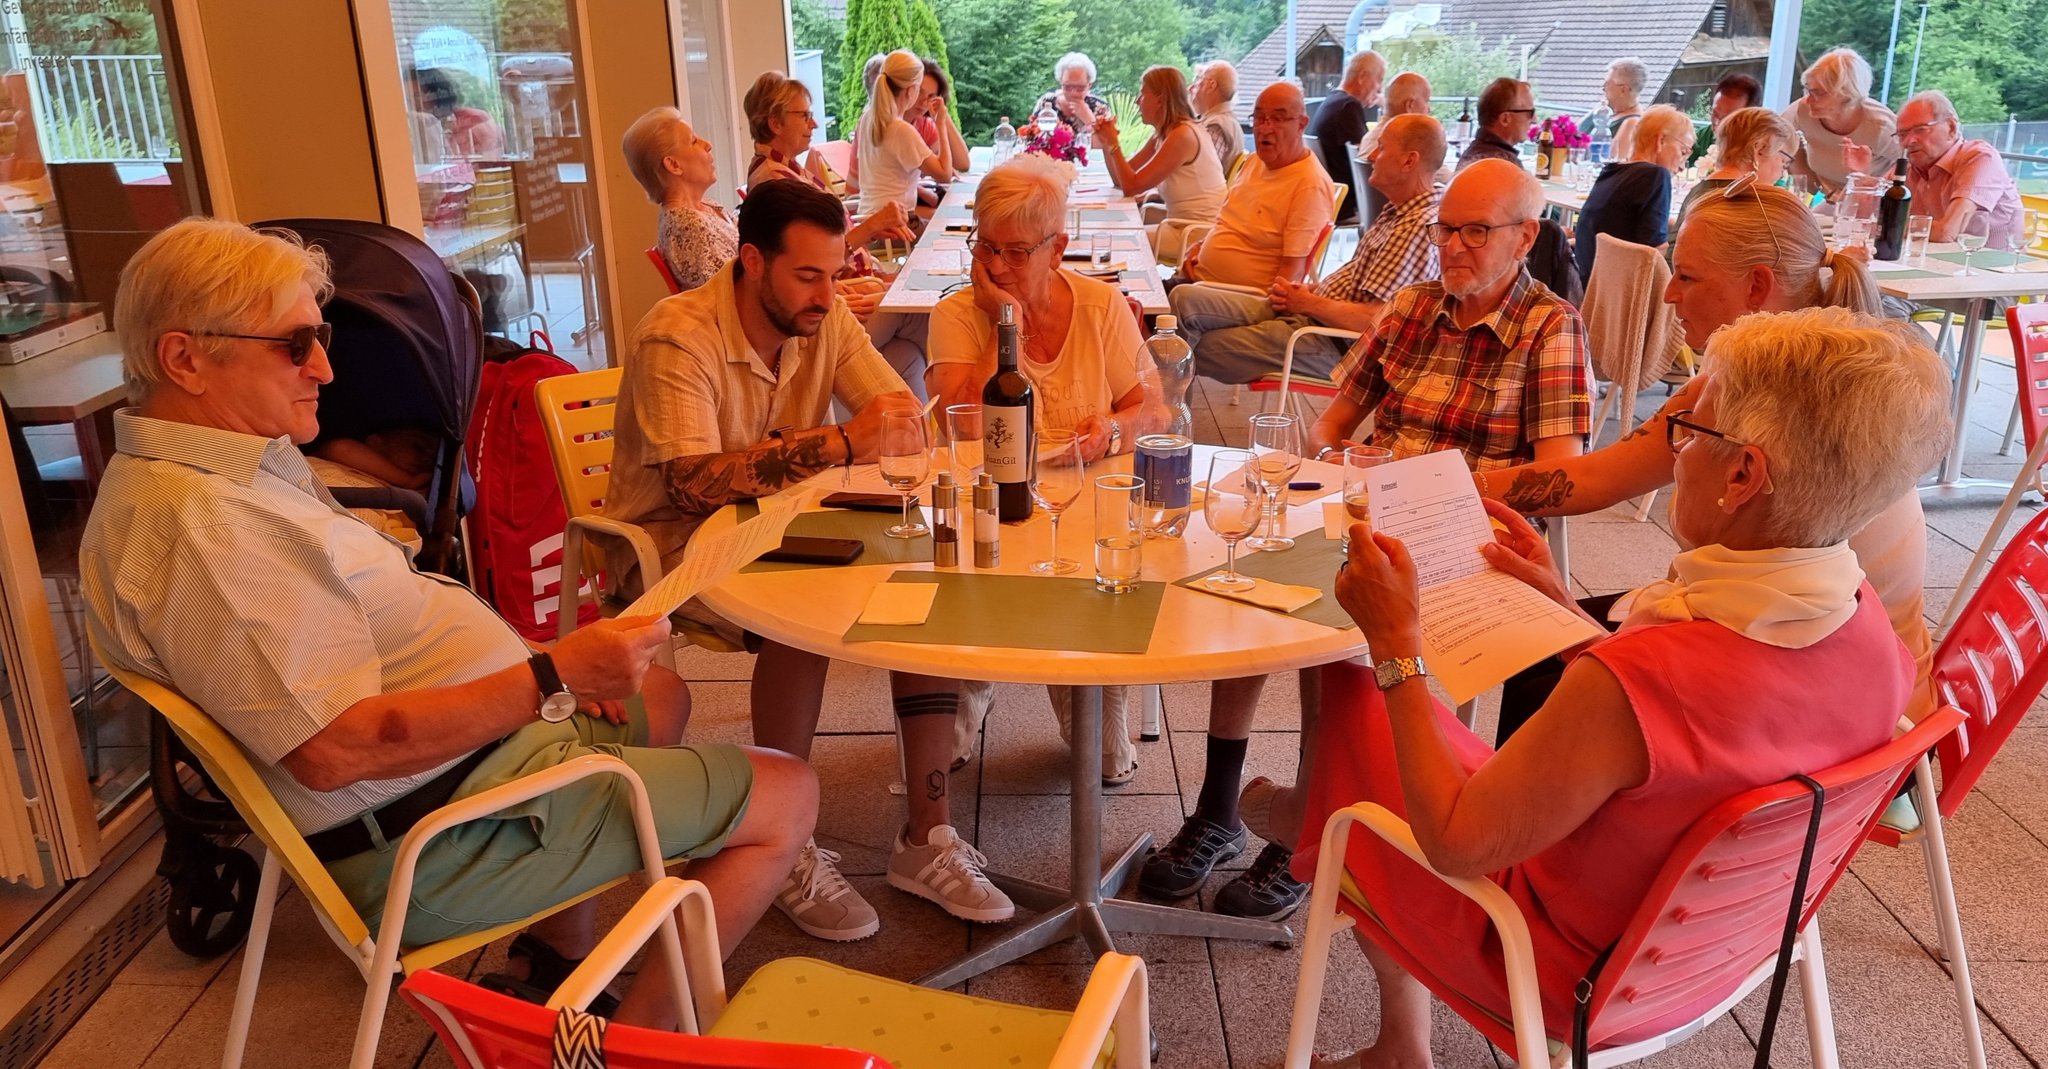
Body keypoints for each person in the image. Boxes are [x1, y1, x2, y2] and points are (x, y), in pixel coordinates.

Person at [79, 217, 816, 1029]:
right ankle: (626, 1047)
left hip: (458, 771)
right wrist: (550, 676)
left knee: (661, 695)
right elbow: (333, 750)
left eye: (320, 337)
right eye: (295, 345)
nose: (324, 367)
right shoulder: (204, 530)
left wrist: (542, 667)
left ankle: (556, 962)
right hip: (433, 837)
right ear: (184, 359)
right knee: (789, 793)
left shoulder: (219, 471)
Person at [1286, 306, 1950, 1067]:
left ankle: (1308, 843)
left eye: (1687, 432)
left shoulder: (1645, 674)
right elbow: (1694, 729)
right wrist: (1561, 608)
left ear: (1742, 474)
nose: (1675, 452)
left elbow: (1455, 843)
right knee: (1396, 727)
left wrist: (1395, 646)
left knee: (1352, 699)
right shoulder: (1867, 627)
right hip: (1710, 946)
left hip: (1545, 962)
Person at [1141, 160, 1588, 923]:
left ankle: (1312, 827)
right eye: (1446, 229)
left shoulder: (1550, 328)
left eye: (1476, 232)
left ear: (1525, 238)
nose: (1453, 246)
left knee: (1338, 612)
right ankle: (1221, 806)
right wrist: (1336, 456)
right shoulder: (1413, 307)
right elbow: (1333, 419)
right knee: (1243, 568)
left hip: (1472, 539)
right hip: (1374, 510)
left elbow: (1557, 476)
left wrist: (1433, 482)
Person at [603, 178, 1014, 941]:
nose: (829, 294)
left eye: (835, 272)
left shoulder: (822, 317)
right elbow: (691, 486)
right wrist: (839, 441)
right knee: (804, 609)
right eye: (808, 275)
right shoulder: (677, 334)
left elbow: (895, 412)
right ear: (753, 261)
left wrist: (885, 425)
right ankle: (783, 836)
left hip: (782, 522)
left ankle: (926, 835)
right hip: (670, 548)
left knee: (918, 578)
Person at [1481, 181, 1938, 737]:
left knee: (1546, 681)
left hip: (1841, 709)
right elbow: (1603, 477)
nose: (1669, 294)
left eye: (1688, 276)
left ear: (1757, 286)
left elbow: (1595, 480)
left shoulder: (1780, 407)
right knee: (1544, 649)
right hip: (1832, 659)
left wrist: (1445, 491)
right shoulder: (1796, 368)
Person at [925, 155, 1154, 784]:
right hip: (987, 508)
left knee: (1106, 762)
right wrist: (1006, 323)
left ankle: (1078, 666)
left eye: (1017, 251)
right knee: (936, 750)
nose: (996, 266)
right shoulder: (955, 315)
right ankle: (974, 672)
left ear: (1057, 249)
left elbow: (1152, 407)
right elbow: (963, 425)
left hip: (1083, 507)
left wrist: (1112, 430)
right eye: (986, 246)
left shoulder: (1102, 306)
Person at [1170, 113, 1445, 385]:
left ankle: (1167, 405)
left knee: (1194, 349)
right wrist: (1307, 293)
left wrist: (1307, 302)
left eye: (1381, 148)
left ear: (1409, 161)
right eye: (1259, 117)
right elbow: (1357, 289)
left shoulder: (1416, 228)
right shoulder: (1397, 212)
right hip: (1309, 315)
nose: (1371, 155)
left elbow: (1378, 319)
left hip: (1336, 344)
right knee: (1183, 300)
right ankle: (1167, 398)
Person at [743, 71, 926, 388]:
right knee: (921, 311)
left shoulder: (787, 170)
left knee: (906, 355)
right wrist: (871, 228)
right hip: (830, 312)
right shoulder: (774, 182)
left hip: (850, 291)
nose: (813, 124)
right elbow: (811, 260)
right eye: (804, 115)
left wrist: (871, 238)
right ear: (775, 123)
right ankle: (965, 408)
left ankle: (922, 417)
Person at [1171, 82, 1336, 290]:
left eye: (1277, 119)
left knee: (1163, 298)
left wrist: (1261, 307)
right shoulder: (1254, 161)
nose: (1265, 129)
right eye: (1259, 118)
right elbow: (1227, 222)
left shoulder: (1310, 184)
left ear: (1301, 124)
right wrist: (1199, 246)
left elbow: (1291, 274)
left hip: (1240, 297)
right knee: (1138, 292)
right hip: (1198, 281)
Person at [1092, 66, 1227, 260]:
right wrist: (1107, 143)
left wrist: (1114, 143)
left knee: (1116, 239)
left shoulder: (1182, 135)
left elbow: (1131, 187)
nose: (1137, 101)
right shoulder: (1165, 134)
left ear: (1160, 100)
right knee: (1109, 231)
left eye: (1142, 94)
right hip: (1181, 226)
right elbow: (1120, 180)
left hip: (1198, 236)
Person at [1573, 104, 1694, 281]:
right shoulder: (1656, 176)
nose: (1683, 166)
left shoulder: (1611, 171)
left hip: (1589, 281)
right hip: (1623, 287)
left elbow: (1623, 221)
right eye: (1683, 152)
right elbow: (1654, 251)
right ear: (1660, 141)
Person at [622, 107, 736, 293]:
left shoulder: (705, 206)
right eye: (694, 141)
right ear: (673, 165)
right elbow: (727, 296)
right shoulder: (687, 226)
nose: (708, 144)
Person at [1898, 89, 2025, 248]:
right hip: (1940, 258)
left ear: (1951, 127)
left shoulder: (1981, 158)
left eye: (1920, 130)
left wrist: (1893, 225)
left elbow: (1946, 232)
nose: (1908, 141)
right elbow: (1872, 217)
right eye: (1902, 135)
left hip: (1994, 261)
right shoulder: (1911, 166)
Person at [857, 49, 958, 224]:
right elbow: (944, 174)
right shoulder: (901, 130)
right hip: (895, 225)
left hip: (869, 220)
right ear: (910, 90)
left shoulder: (869, 118)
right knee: (952, 229)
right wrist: (940, 124)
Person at [1784, 47, 1900, 198]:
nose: (1808, 99)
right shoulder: (1803, 110)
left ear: (1847, 94)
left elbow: (1911, 165)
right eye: (1808, 90)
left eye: (1819, 93)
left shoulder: (1880, 127)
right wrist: (1812, 187)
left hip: (1871, 199)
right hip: (1826, 196)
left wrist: (1872, 189)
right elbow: (1775, 136)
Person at [1308, 50, 1387, 222]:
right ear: (1363, 77)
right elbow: (1368, 160)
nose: (1380, 89)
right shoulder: (1348, 107)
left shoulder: (1332, 101)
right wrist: (1389, 109)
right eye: (1379, 80)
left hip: (1329, 196)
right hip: (1347, 204)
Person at [1678, 106, 1793, 221]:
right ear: (1759, 149)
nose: (1781, 175)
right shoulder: (1743, 199)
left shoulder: (1701, 190)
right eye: (1783, 162)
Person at [410, 67, 505, 160]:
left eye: (416, 95)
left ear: (437, 94)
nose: (410, 102)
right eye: (407, 97)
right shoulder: (413, 130)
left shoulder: (474, 120)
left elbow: (494, 160)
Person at [1456, 77, 1533, 172]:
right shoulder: (1500, 166)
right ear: (1505, 119)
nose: (1534, 119)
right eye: (1530, 113)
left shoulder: (1475, 155)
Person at [1692, 71, 1762, 168]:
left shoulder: (1762, 149)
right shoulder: (1701, 137)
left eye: (1727, 119)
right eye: (1715, 114)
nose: (1717, 123)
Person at [916, 58, 973, 175]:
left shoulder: (924, 125)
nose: (923, 101)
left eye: (931, 96)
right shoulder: (894, 124)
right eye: (919, 92)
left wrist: (942, 114)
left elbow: (963, 164)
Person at [1033, 52, 1109, 136]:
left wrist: (1090, 121)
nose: (1073, 92)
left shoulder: (1100, 107)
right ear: (1060, 83)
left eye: (1080, 88)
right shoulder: (1046, 102)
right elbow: (1031, 136)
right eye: (1068, 87)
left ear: (1089, 85)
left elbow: (1109, 143)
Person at [1191, 61, 1245, 176]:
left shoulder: (1216, 127)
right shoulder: (1227, 120)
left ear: (1211, 85)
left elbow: (1202, 173)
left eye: (1198, 80)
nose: (1191, 88)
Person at [1595, 57, 1650, 159]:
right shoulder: (1603, 110)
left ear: (1623, 90)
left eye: (1607, 83)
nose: (1603, 88)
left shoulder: (1632, 123)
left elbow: (1614, 161)